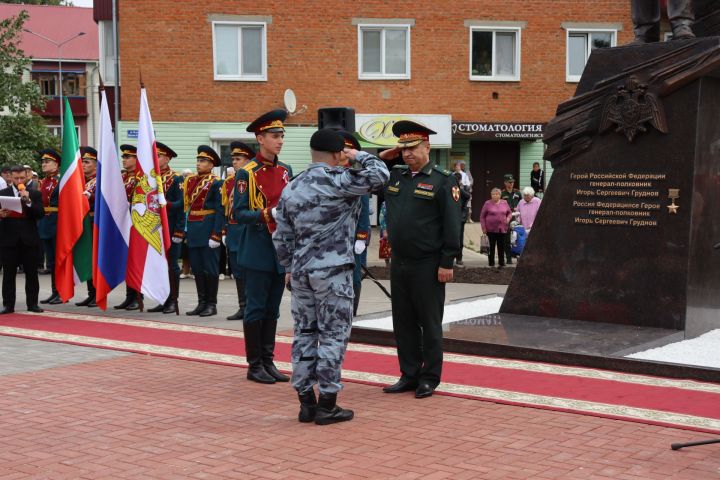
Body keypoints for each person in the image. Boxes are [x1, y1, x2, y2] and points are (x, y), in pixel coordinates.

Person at [273, 128, 389, 424]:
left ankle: (305, 403)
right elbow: (380, 175)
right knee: (333, 335)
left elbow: (281, 236)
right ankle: (327, 403)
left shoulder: (292, 186)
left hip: (300, 273)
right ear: (338, 154)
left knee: (304, 334)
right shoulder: (340, 180)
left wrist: (288, 268)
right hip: (333, 273)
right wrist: (358, 155)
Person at [380, 120, 461, 399]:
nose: (407, 154)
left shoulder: (443, 179)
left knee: (429, 323)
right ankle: (409, 373)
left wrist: (447, 261)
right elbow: (361, 177)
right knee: (403, 322)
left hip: (428, 263)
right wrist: (382, 158)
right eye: (403, 149)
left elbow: (452, 224)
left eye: (412, 148)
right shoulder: (395, 176)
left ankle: (429, 377)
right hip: (400, 262)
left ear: (427, 147)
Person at [234, 109, 292, 384]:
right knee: (255, 308)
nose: (279, 140)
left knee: (273, 308)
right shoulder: (247, 173)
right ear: (260, 138)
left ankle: (268, 361)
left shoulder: (285, 170)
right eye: (274, 135)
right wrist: (269, 214)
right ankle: (254, 364)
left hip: (280, 248)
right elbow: (239, 213)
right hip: (257, 246)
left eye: (281, 135)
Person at [173, 146, 224, 317]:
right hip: (194, 229)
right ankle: (201, 302)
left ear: (211, 165)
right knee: (197, 268)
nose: (198, 164)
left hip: (208, 228)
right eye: (198, 160)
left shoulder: (217, 182)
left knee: (210, 268)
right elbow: (186, 208)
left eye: (203, 161)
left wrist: (217, 234)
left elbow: (220, 210)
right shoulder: (190, 180)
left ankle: (212, 303)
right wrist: (182, 231)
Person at [0, 165, 45, 314]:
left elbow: (40, 214)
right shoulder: (2, 193)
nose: (19, 180)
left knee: (32, 273)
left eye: (22, 178)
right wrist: (1, 214)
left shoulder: (35, 194)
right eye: (16, 178)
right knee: (8, 274)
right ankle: (8, 305)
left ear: (27, 177)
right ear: (10, 178)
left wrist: (28, 201)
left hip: (29, 239)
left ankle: (32, 304)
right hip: (9, 239)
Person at [147, 142, 184, 314]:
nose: (156, 159)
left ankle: (172, 300)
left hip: (170, 228)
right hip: (154, 229)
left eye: (159, 156)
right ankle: (162, 298)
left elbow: (182, 204)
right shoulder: (152, 178)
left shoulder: (176, 178)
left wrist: (166, 205)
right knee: (158, 265)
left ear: (167, 159)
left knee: (171, 266)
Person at [337, 130, 371, 316]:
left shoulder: (357, 175)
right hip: (333, 237)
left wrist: (361, 237)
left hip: (352, 237)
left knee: (354, 276)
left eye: (346, 149)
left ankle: (352, 313)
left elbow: (364, 210)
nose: (342, 151)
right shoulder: (329, 172)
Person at [223, 141, 255, 321]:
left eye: (238, 159)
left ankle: (251, 305)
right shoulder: (229, 182)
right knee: (237, 271)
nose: (234, 162)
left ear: (248, 160)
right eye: (233, 159)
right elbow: (225, 209)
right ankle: (242, 305)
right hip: (233, 230)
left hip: (246, 229)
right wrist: (224, 231)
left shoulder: (252, 178)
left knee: (248, 270)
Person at [114, 145, 142, 310]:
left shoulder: (140, 177)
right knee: (126, 260)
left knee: (135, 261)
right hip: (122, 222)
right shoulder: (122, 177)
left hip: (136, 223)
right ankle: (129, 296)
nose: (124, 160)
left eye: (127, 157)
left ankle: (137, 297)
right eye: (123, 157)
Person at [37, 149, 62, 305]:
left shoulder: (60, 180)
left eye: (47, 162)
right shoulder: (43, 181)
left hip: (57, 223)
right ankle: (55, 292)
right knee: (51, 261)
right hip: (45, 224)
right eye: (43, 162)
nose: (44, 164)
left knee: (58, 260)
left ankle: (60, 292)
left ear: (56, 164)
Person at [75, 147, 99, 307]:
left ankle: (98, 294)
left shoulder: (101, 180)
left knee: (95, 259)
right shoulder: (79, 180)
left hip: (95, 224)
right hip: (83, 224)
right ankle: (91, 294)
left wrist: (90, 196)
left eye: (87, 162)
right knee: (87, 258)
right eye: (82, 161)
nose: (83, 164)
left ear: (96, 165)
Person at [480, 188, 512, 268]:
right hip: (490, 229)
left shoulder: (504, 203)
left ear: (500, 195)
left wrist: (508, 219)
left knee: (501, 246)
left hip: (502, 228)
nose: (495, 195)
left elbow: (509, 213)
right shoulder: (487, 203)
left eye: (497, 194)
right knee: (491, 247)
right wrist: (483, 228)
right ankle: (491, 263)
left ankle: (501, 262)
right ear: (491, 195)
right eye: (493, 194)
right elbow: (482, 217)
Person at [500, 174, 521, 264]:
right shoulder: (502, 193)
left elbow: (521, 203)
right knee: (507, 238)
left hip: (516, 217)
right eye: (509, 182)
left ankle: (517, 255)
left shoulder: (517, 193)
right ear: (505, 183)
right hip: (506, 218)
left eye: (512, 182)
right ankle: (508, 258)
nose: (511, 184)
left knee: (517, 238)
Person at [453, 172, 472, 267]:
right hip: (451, 217)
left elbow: (468, 196)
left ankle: (459, 258)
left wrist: (458, 189)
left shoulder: (462, 189)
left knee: (459, 239)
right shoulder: (449, 189)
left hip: (460, 217)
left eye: (457, 180)